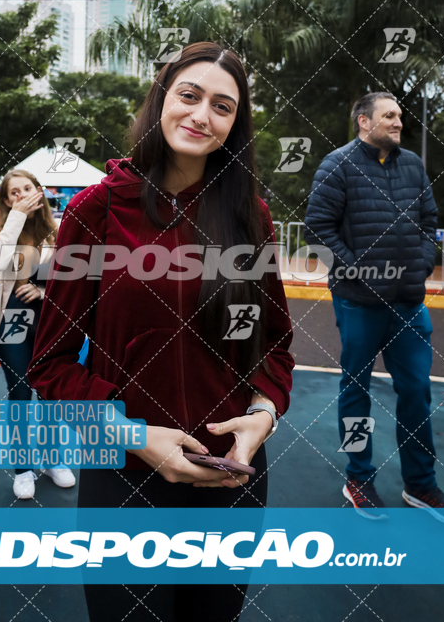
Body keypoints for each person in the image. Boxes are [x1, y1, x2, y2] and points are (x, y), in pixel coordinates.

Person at [29, 42, 295, 621]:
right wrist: (133, 434)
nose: (202, 116)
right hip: (125, 479)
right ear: (161, 100)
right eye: (190, 96)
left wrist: (263, 415)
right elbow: (49, 364)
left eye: (223, 107)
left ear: (234, 125)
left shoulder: (251, 216)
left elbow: (273, 343)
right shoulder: (95, 212)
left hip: (231, 480)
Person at [303, 92, 444, 511]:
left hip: (409, 303)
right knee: (357, 391)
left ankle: (420, 484)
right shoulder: (338, 165)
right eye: (389, 115)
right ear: (363, 122)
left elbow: (429, 222)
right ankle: (358, 478)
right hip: (358, 303)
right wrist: (357, 272)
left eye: (400, 116)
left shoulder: (412, 165)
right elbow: (317, 229)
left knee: (416, 393)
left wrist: (421, 266)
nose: (398, 122)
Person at [0, 170, 75, 500]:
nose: (22, 195)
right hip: (13, 323)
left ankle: (52, 459)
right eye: (14, 193)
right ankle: (23, 468)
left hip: (51, 324)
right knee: (20, 393)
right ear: (6, 200)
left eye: (27, 189)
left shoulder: (60, 229)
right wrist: (16, 218)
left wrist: (43, 293)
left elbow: (74, 281)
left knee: (50, 394)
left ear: (39, 190)